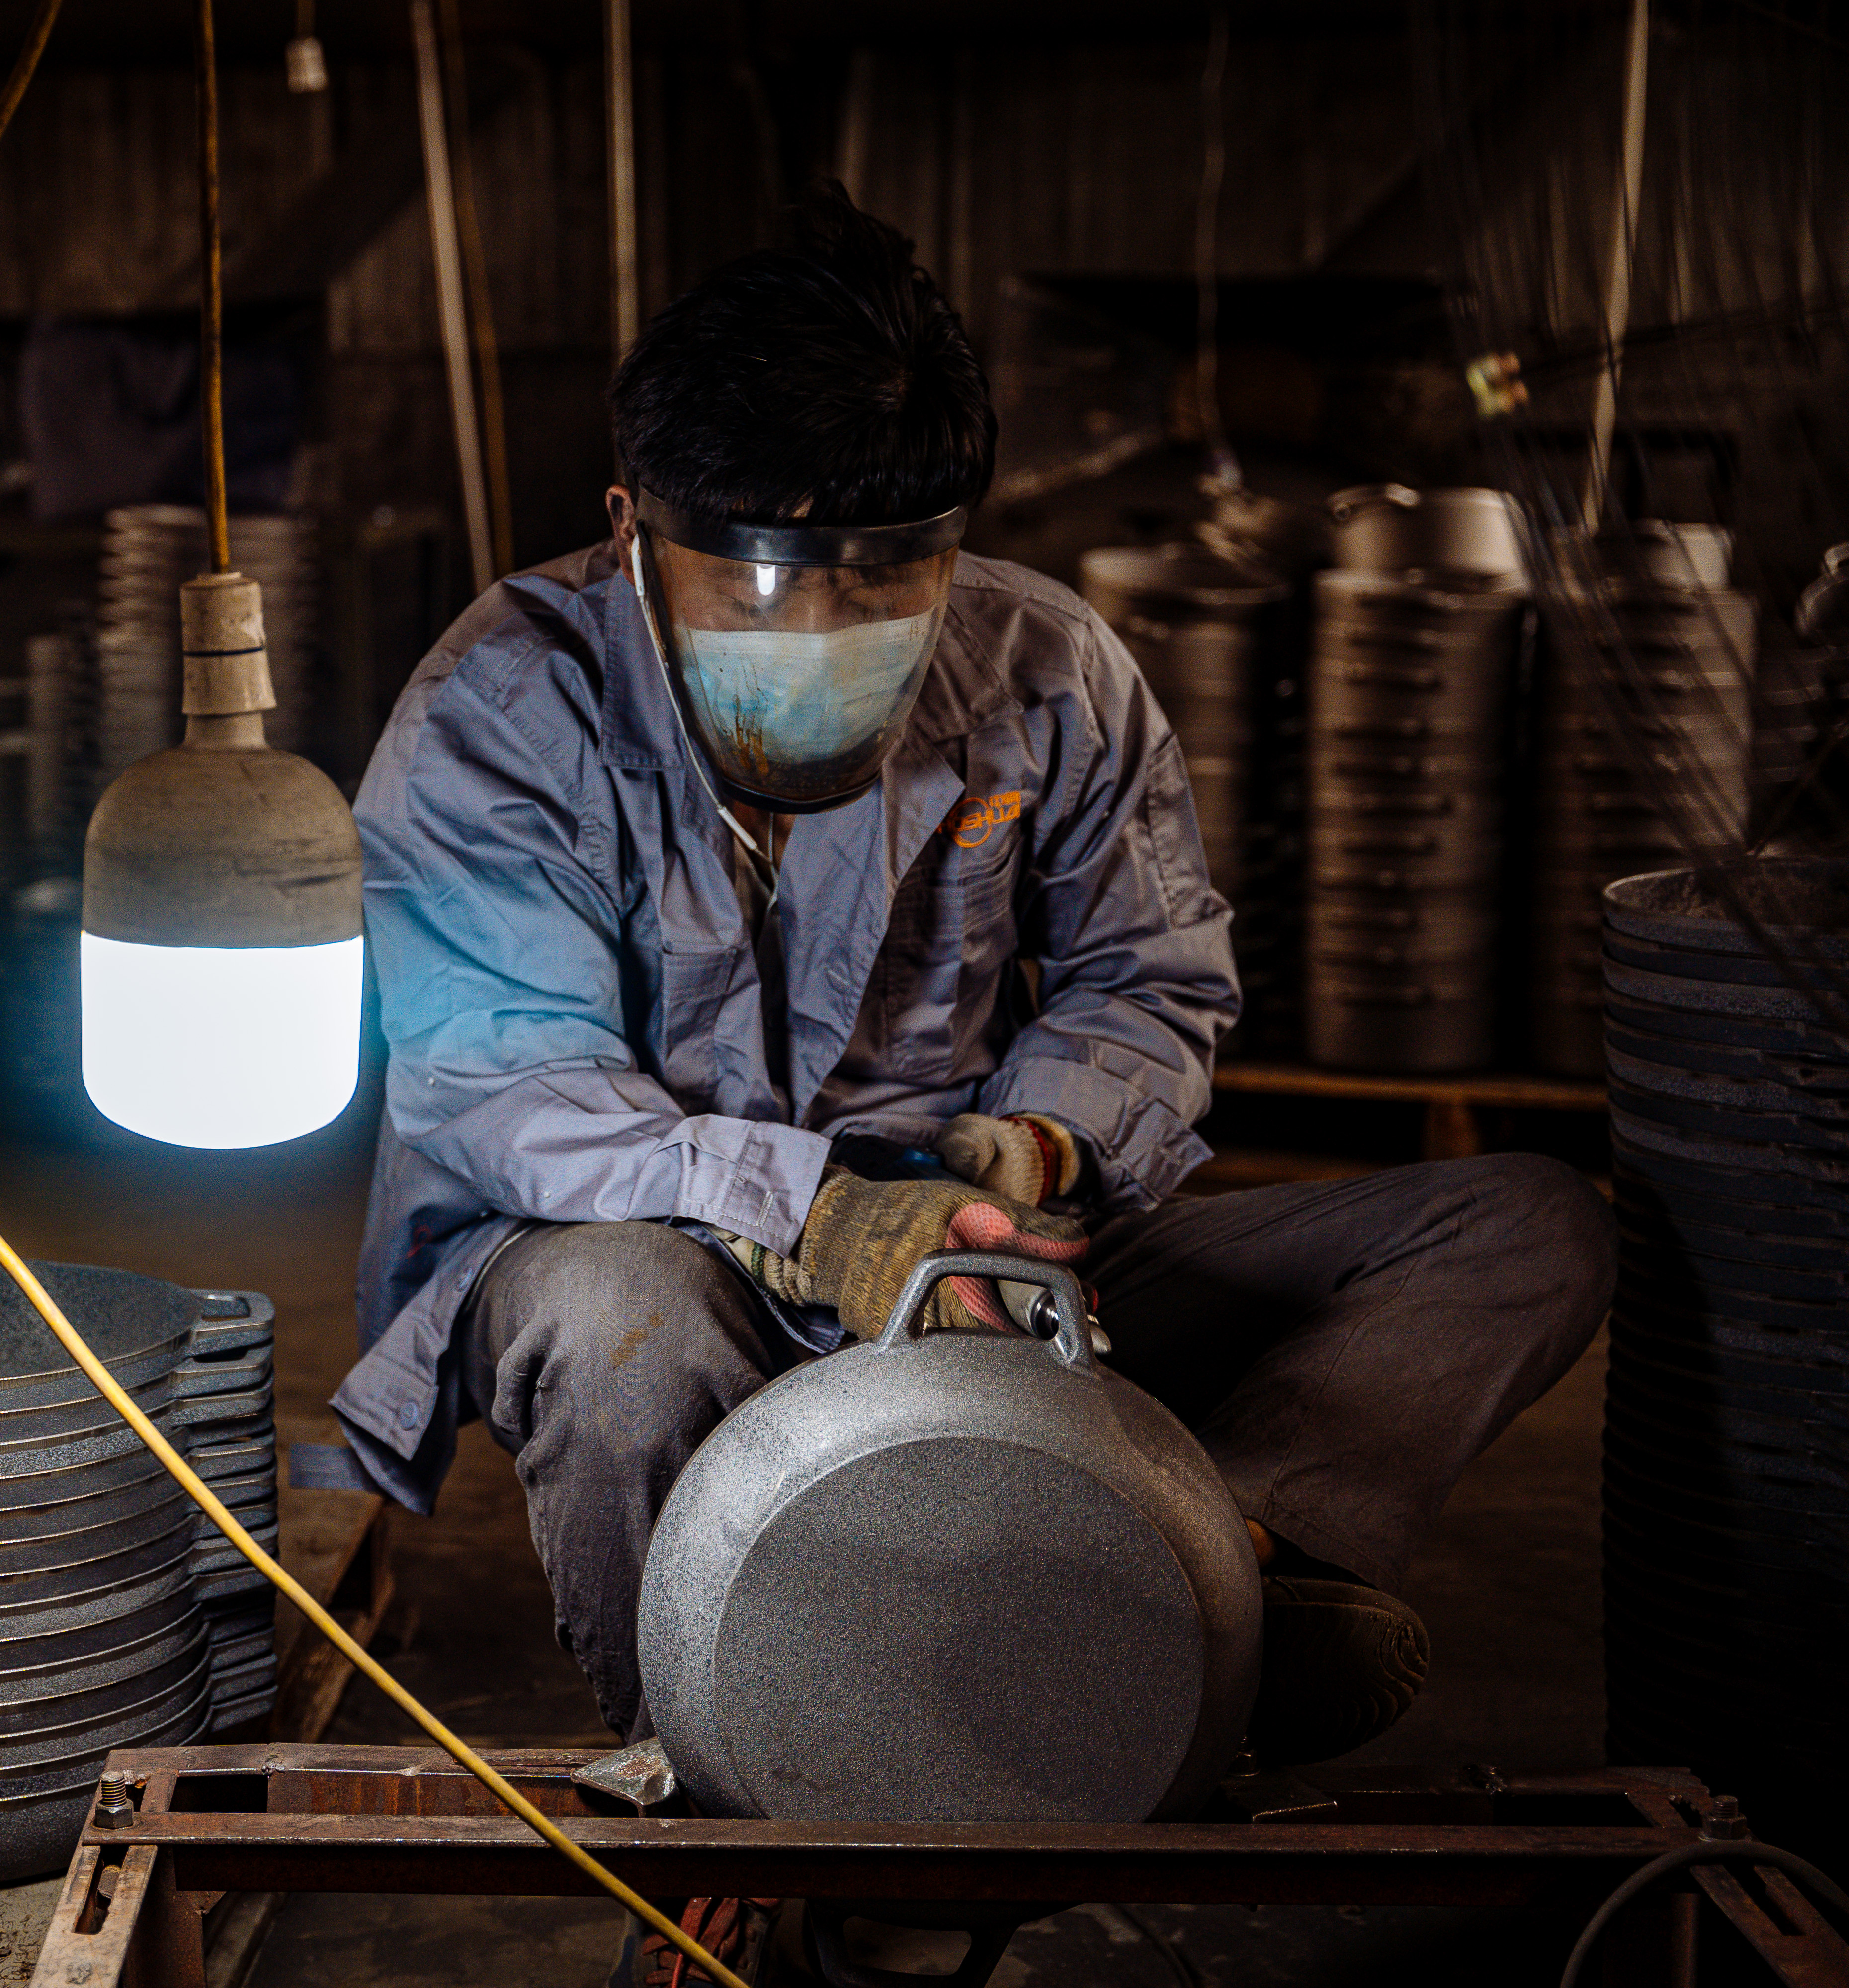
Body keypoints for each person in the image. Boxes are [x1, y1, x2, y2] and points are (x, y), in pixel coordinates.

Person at [328, 182, 1612, 1986]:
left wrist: (1042, 1136)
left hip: (998, 1253)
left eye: (885, 575)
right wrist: (821, 1215)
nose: (825, 624)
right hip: (648, 1247)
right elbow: (506, 1085)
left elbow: (1147, 979)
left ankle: (1208, 1577)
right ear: (634, 531)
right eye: (764, 576)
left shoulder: (1051, 670)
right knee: (623, 1321)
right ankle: (735, 1774)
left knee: (1527, 1222)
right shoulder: (501, 709)